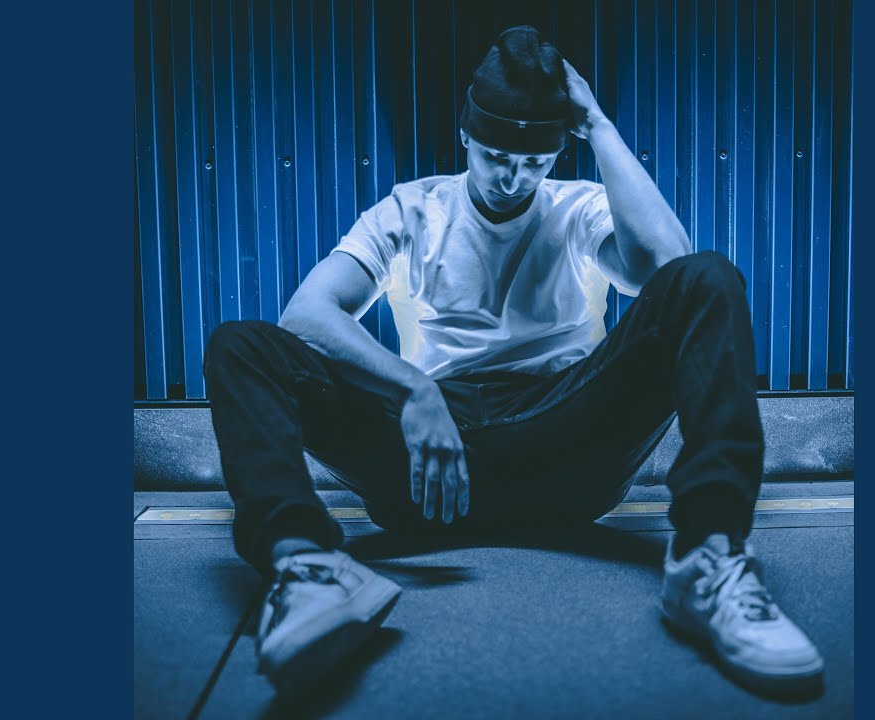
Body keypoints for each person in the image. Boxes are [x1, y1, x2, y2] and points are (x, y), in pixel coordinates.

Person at [203, 25, 823, 697]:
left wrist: (597, 125)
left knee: (708, 277)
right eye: (496, 155)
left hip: (563, 444)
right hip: (431, 466)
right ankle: (307, 567)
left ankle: (709, 555)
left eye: (535, 161)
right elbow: (305, 315)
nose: (513, 178)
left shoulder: (578, 208)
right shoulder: (413, 209)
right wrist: (413, 390)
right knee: (240, 345)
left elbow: (671, 270)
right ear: (465, 136)